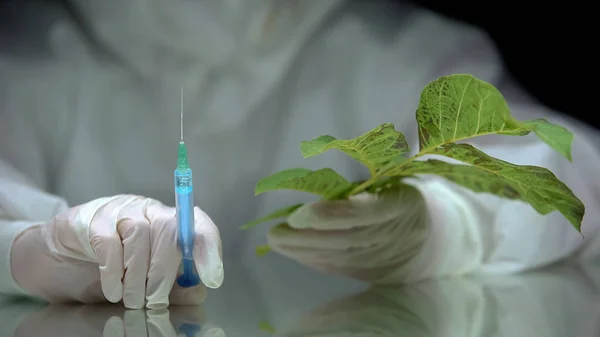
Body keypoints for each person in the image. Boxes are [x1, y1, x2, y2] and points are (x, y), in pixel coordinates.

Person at [1, 0, 599, 310]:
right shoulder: (32, 59)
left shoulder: (381, 47)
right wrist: (33, 244)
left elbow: (569, 168)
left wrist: (449, 220)